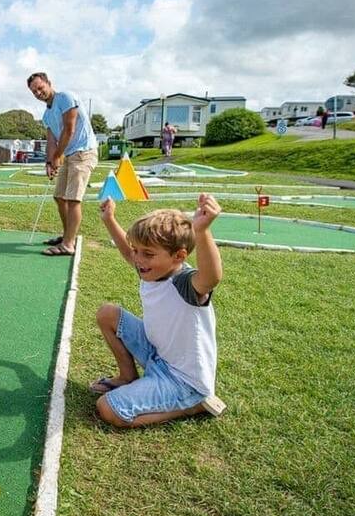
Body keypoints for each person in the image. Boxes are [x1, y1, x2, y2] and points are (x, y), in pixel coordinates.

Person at [90, 194, 227, 428]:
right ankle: (127, 377)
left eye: (148, 254)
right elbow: (127, 252)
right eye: (137, 250)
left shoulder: (185, 283)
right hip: (158, 355)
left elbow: (211, 277)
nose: (138, 259)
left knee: (109, 408)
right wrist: (109, 219)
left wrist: (202, 231)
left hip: (182, 380)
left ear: (179, 256)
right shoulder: (153, 270)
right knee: (108, 313)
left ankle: (193, 404)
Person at [26, 72, 98, 257]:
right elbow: (51, 140)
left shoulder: (65, 98)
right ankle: (68, 236)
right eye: (34, 91)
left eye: (40, 88)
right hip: (68, 154)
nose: (38, 92)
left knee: (74, 199)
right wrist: (49, 162)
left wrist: (58, 156)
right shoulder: (46, 114)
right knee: (59, 196)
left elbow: (69, 129)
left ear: (49, 83)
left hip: (83, 152)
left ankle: (68, 244)